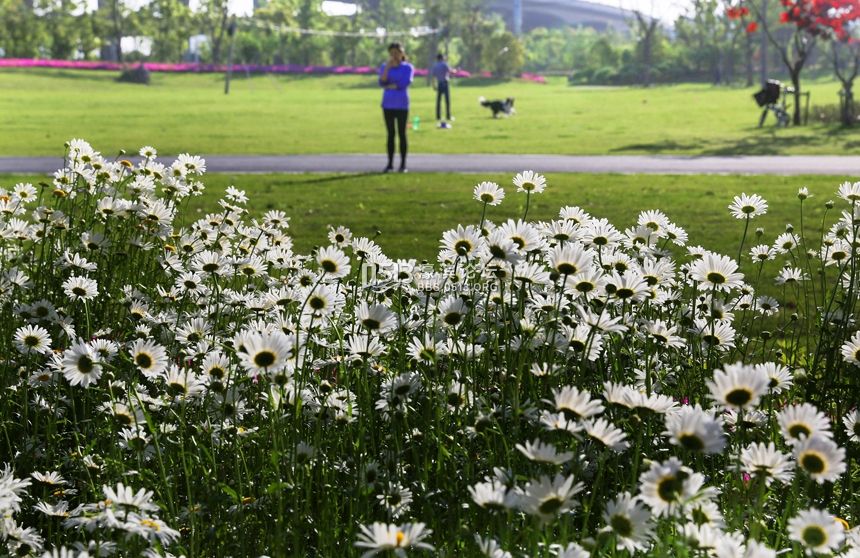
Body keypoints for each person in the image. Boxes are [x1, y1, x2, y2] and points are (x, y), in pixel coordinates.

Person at [379, 41, 414, 173]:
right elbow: (381, 82)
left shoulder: (407, 67)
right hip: (387, 104)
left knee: (402, 134)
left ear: (401, 54)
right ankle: (389, 164)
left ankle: (403, 164)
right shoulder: (385, 66)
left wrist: (392, 85)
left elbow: (405, 82)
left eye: (396, 53)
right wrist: (388, 68)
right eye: (391, 53)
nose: (394, 56)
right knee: (390, 134)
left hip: (402, 104)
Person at [431, 53, 454, 123]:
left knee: (438, 101)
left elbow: (433, 77)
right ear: (442, 58)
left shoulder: (435, 66)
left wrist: (434, 86)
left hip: (439, 84)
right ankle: (448, 115)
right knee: (447, 101)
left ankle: (438, 115)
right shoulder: (444, 64)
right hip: (445, 83)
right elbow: (450, 71)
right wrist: (455, 71)